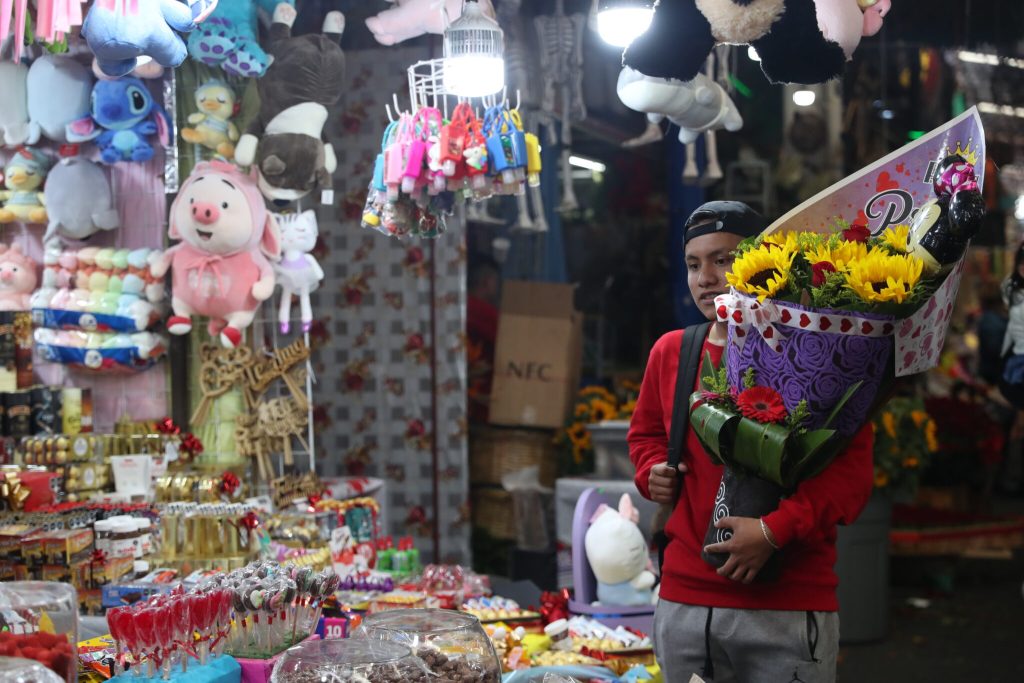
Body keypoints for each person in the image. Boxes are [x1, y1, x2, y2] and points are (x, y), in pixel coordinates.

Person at [629, 201, 875, 683]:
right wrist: (652, 470)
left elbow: (850, 478)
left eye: (722, 259)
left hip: (787, 604)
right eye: (694, 264)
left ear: (763, 260)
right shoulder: (672, 351)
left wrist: (773, 531)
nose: (706, 278)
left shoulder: (821, 353)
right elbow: (646, 436)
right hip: (686, 602)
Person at [466, 255, 501, 422]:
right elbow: (506, 343)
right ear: (488, 282)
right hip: (480, 402)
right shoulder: (486, 313)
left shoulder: (459, 307)